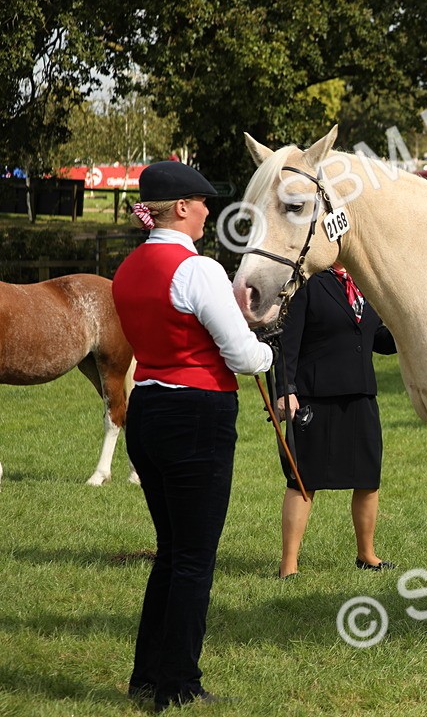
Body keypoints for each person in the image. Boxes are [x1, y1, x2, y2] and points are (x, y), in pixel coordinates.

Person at [112, 161, 274, 711]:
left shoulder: (130, 266)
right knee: (194, 558)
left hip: (149, 407)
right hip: (196, 413)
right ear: (181, 207)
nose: (210, 211)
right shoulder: (197, 268)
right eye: (204, 202)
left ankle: (146, 677)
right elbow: (242, 355)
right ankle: (179, 684)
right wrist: (268, 347)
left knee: (172, 552)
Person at [274, 264, 398, 579]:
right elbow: (286, 344)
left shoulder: (364, 282)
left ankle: (367, 555)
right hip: (313, 397)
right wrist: (285, 390)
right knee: (303, 481)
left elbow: (376, 337)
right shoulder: (307, 283)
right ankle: (289, 564)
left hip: (361, 395)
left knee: (368, 480)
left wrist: (408, 326)